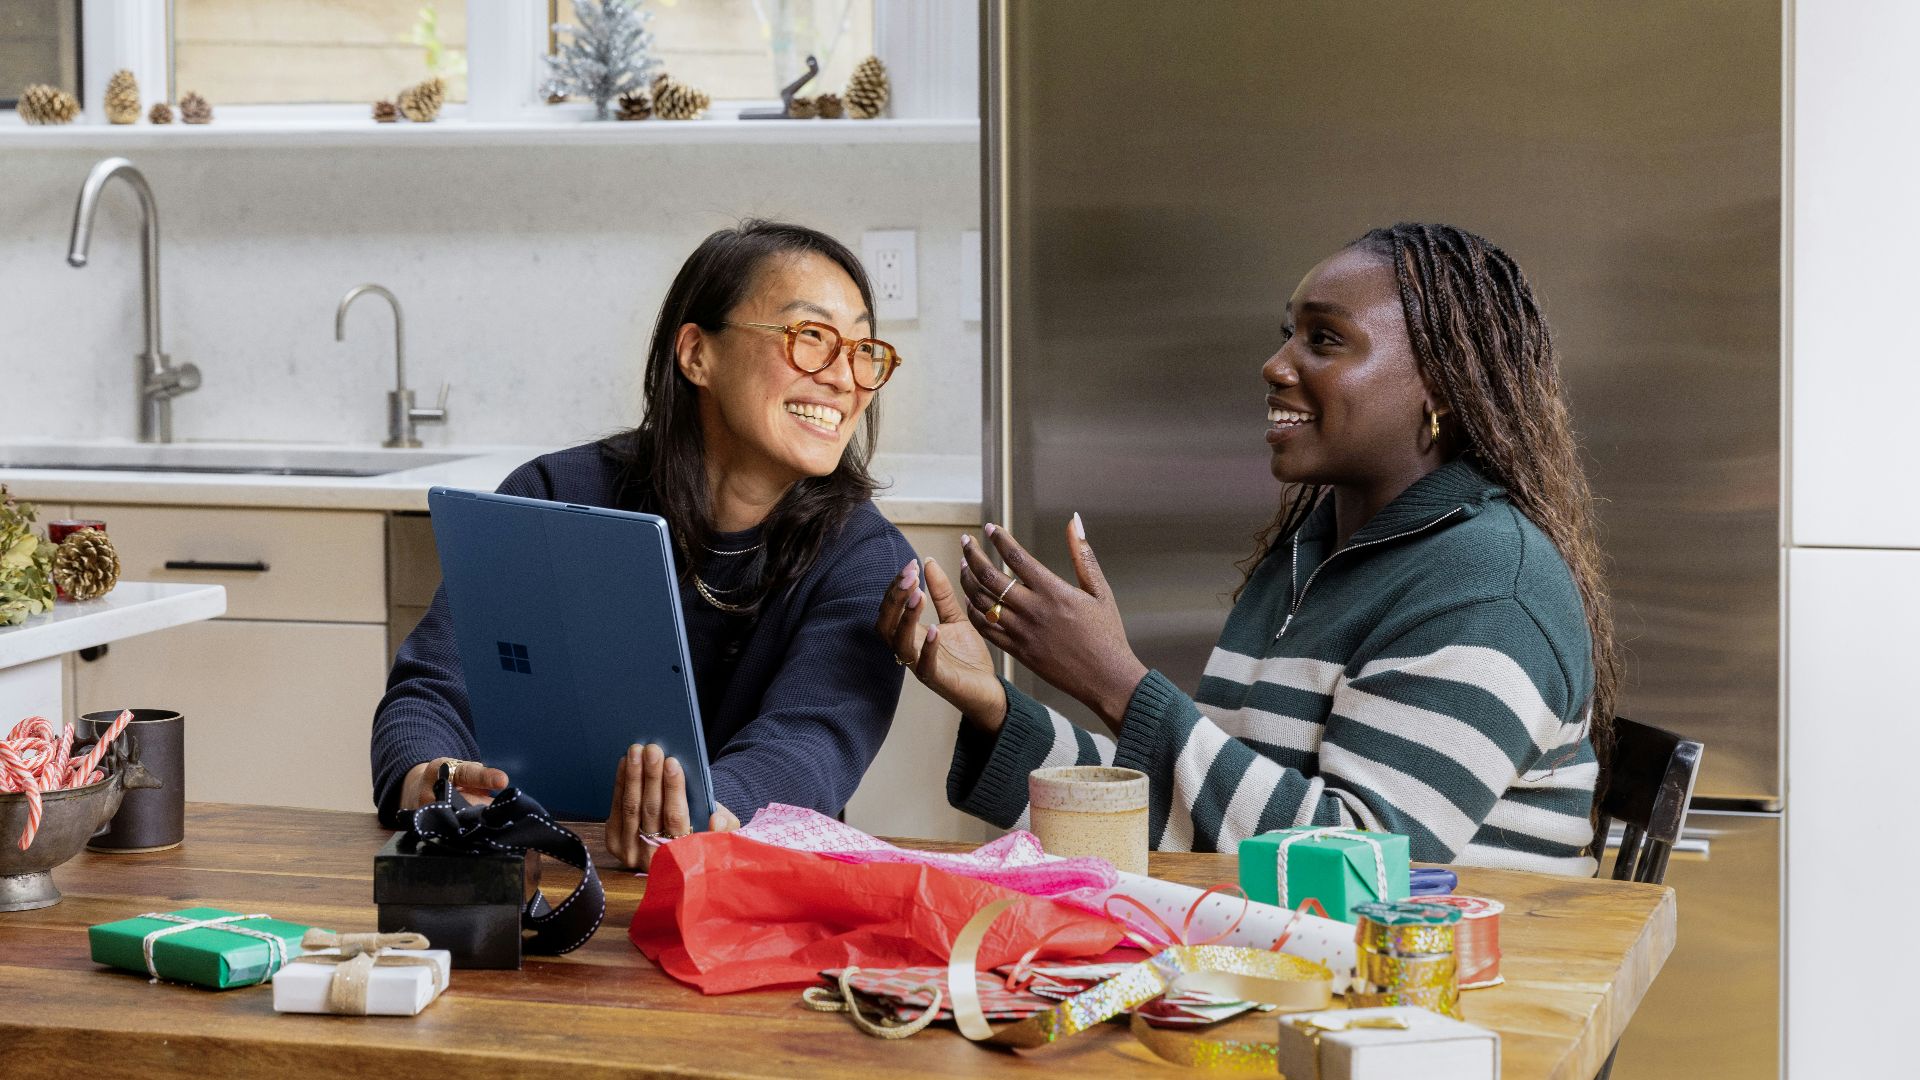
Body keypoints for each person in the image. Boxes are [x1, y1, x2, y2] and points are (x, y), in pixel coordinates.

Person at [878, 222, 1615, 876]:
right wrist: (994, 710)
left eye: (1323, 338)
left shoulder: (1488, 585)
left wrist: (1115, 682)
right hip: (1302, 974)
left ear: (1443, 388)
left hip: (1446, 1002)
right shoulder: (1312, 554)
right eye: (1287, 333)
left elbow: (1362, 872)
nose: (1276, 363)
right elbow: (1216, 818)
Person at [373, 220, 914, 870]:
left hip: (739, 892)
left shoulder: (866, 558)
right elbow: (434, 689)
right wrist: (429, 781)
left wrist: (701, 815)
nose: (843, 378)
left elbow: (810, 743)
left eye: (862, 351)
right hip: (541, 875)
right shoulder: (548, 494)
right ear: (696, 354)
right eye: (812, 338)